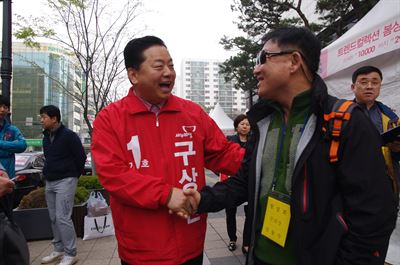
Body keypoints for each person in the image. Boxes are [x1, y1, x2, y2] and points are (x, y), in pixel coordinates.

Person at [184, 27, 398, 265]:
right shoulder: (263, 122)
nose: (256, 69)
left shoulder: (344, 121)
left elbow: (374, 214)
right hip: (261, 256)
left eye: (263, 58)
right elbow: (244, 182)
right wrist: (201, 200)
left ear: (294, 61)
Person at [90, 35, 245, 265]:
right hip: (141, 250)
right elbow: (113, 174)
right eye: (159, 66)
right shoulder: (110, 119)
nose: (168, 73)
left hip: (190, 241)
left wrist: (265, 159)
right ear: (133, 74)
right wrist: (165, 194)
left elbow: (222, 153)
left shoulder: (192, 113)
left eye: (171, 65)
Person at [39, 105, 86, 265]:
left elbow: (80, 157)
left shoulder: (69, 136)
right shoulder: (46, 137)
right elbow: (48, 157)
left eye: (44, 117)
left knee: (63, 217)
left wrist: (74, 175)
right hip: (50, 181)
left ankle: (70, 253)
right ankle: (58, 249)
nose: (41, 120)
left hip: (66, 180)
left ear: (54, 119)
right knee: (53, 218)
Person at [351, 65, 400, 192]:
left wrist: (397, 149)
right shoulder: (341, 115)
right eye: (363, 82)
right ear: (353, 87)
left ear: (379, 87)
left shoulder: (391, 117)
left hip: (386, 178)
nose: (369, 86)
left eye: (375, 82)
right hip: (353, 179)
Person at [220, 114, 251, 254]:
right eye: (242, 124)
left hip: (249, 182)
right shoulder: (229, 140)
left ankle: (246, 242)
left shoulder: (254, 141)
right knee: (230, 211)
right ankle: (232, 239)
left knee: (249, 212)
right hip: (233, 182)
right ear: (237, 126)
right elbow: (221, 160)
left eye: (247, 124)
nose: (245, 126)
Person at [0, 95, 27, 179]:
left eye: (5, 107)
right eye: (0, 106)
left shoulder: (12, 130)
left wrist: (1, 144)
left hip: (8, 175)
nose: (2, 110)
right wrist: (12, 144)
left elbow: (22, 145)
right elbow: (17, 145)